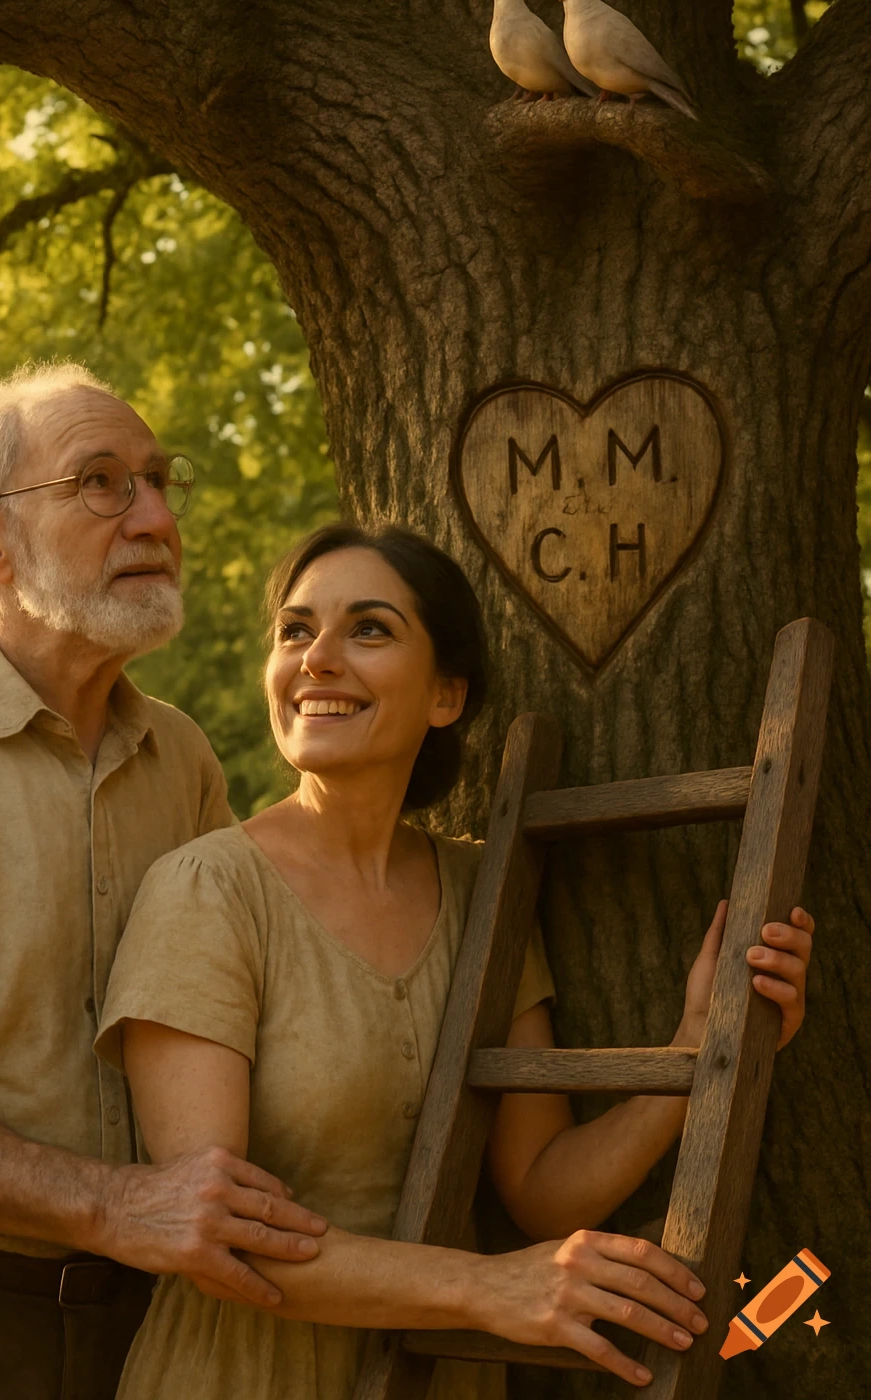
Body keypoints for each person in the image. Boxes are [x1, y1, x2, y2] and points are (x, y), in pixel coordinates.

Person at [95, 523, 814, 1398]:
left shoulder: (485, 890)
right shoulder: (206, 890)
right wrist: (485, 1287)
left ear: (446, 695)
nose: (316, 659)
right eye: (295, 630)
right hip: (239, 1375)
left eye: (368, 629)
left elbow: (541, 1189)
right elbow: (217, 1236)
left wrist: (699, 1046)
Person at [0, 363, 326, 1400]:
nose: (156, 519)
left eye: (158, 480)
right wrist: (115, 1206)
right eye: (101, 483)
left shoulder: (184, 758)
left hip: (162, 1326)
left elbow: (251, 1013)